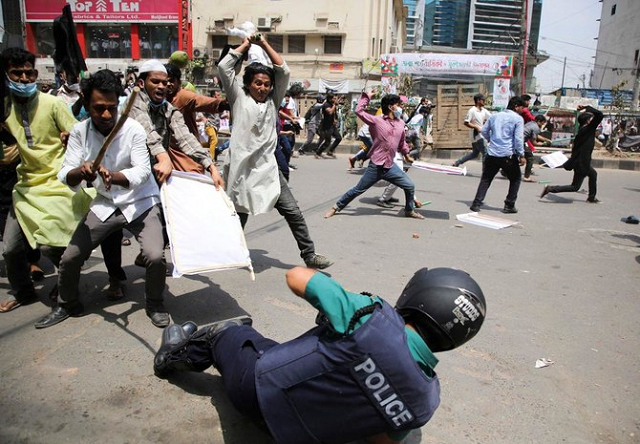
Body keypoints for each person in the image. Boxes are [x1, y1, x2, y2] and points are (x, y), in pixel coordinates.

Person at [152, 266, 487, 444]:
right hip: (297, 436)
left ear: (419, 297)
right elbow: (383, 439)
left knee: (231, 332)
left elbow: (296, 277)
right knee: (272, 345)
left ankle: (173, 355)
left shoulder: (370, 316)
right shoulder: (426, 400)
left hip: (254, 392)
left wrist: (331, 290)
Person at [34, 69, 169, 329]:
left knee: (154, 256)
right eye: (98, 109)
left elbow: (142, 172)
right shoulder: (79, 133)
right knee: (71, 256)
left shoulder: (133, 130)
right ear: (86, 104)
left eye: (111, 108)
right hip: (106, 203)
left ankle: (155, 303)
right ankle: (67, 303)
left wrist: (114, 176)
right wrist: (79, 171)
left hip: (140, 202)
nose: (106, 115)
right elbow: (65, 173)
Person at [218, 34, 332, 270]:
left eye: (267, 84)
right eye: (258, 83)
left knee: (293, 211)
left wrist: (264, 44)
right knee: (238, 216)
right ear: (248, 83)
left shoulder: (273, 100)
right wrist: (246, 45)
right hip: (241, 169)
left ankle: (309, 254)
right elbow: (224, 66)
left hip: (268, 169)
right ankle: (226, 252)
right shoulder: (238, 97)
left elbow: (283, 70)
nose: (262, 87)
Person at [0, 48, 93, 313]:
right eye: (16, 74)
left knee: (54, 244)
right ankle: (23, 293)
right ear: (6, 75)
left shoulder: (54, 104)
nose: (24, 79)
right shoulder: (4, 108)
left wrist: (69, 137)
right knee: (11, 248)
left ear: (36, 73)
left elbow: (79, 135)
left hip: (56, 184)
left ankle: (67, 288)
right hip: (26, 186)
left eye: (29, 73)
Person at [324, 92, 424, 220]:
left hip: (390, 166)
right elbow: (359, 111)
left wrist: (406, 155)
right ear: (390, 107)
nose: (401, 107)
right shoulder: (377, 121)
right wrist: (366, 97)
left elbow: (401, 142)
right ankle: (336, 207)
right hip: (375, 166)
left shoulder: (400, 124)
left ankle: (409, 210)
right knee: (358, 190)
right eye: (398, 105)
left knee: (409, 185)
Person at [128, 60, 224, 186]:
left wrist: (211, 167)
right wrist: (164, 158)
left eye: (164, 82)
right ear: (141, 83)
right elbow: (149, 133)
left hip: (156, 175)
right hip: (130, 175)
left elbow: (186, 138)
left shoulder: (169, 109)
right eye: (155, 82)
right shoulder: (134, 103)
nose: (162, 86)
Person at [469, 96, 525, 214]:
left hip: (492, 153)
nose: (523, 110)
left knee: (486, 179)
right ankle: (509, 205)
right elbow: (519, 139)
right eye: (522, 107)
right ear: (516, 106)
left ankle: (476, 204)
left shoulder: (495, 116)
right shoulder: (518, 119)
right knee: (516, 178)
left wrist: (491, 139)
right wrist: (521, 154)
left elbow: (484, 131)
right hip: (507, 154)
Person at [540, 105, 603, 203]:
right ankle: (591, 197)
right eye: (590, 119)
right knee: (579, 184)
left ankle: (591, 197)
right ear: (587, 121)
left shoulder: (582, 131)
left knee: (579, 184)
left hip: (579, 161)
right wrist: (587, 107)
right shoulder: (587, 129)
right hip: (582, 162)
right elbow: (600, 115)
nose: (592, 120)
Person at [453, 93, 492, 167]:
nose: (484, 101)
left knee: (475, 154)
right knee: (485, 153)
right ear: (478, 101)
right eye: (483, 100)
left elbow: (492, 117)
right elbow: (466, 122)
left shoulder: (483, 110)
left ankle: (457, 162)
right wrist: (476, 127)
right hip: (477, 136)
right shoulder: (472, 110)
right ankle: (485, 172)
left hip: (480, 135)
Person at [522, 115, 551, 182]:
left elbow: (536, 136)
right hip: (520, 142)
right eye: (542, 123)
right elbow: (534, 142)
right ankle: (526, 177)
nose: (542, 125)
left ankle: (505, 170)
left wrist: (546, 140)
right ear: (538, 121)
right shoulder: (536, 128)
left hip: (517, 141)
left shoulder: (530, 123)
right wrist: (544, 144)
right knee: (530, 158)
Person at [315, 93, 342, 158]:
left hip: (332, 126)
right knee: (327, 142)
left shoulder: (332, 104)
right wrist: (334, 105)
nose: (335, 99)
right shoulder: (326, 104)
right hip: (326, 126)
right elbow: (330, 112)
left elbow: (333, 114)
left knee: (339, 138)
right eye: (334, 98)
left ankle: (330, 151)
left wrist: (334, 120)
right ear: (330, 99)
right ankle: (318, 153)